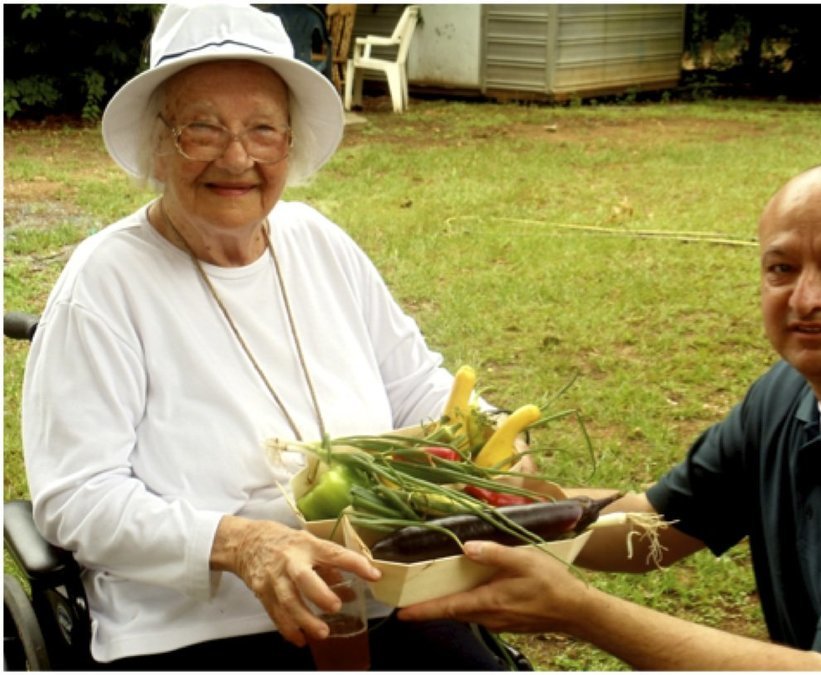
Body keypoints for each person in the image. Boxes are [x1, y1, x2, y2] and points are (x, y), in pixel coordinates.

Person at [22, 3, 511, 670]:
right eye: (202, 129)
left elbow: (419, 386)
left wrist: (497, 445)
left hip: (378, 589)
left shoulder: (319, 241)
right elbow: (76, 496)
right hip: (197, 628)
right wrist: (242, 543)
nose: (237, 157)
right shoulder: (106, 281)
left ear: (291, 142)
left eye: (263, 129)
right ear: (157, 144)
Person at [398, 162, 821, 671]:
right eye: (781, 269)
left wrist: (579, 611)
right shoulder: (785, 396)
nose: (806, 299)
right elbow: (659, 527)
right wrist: (488, 507)